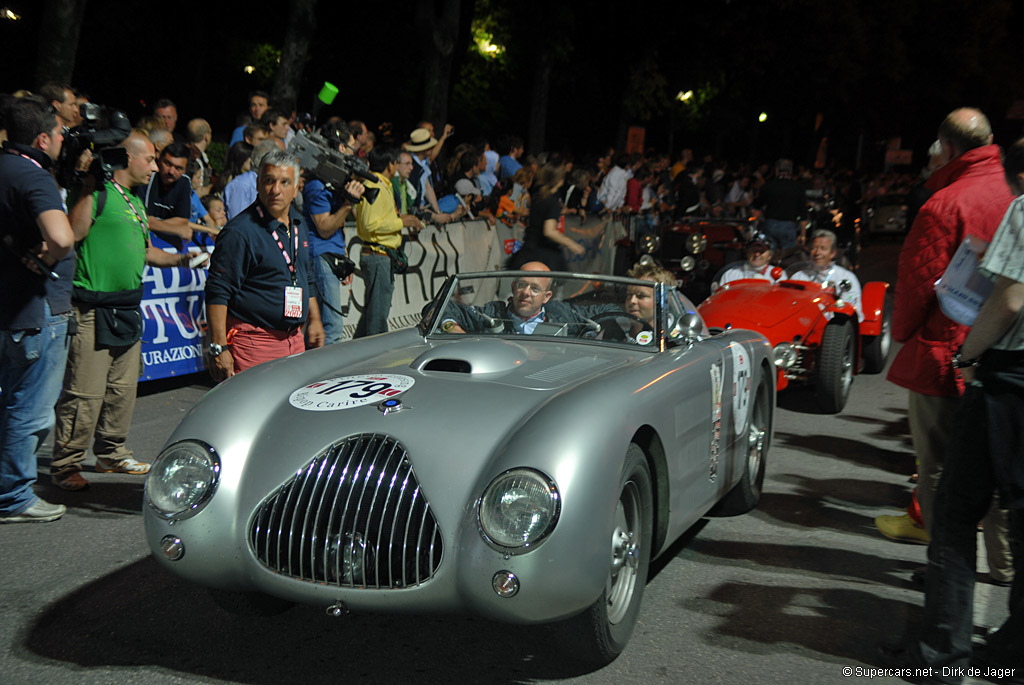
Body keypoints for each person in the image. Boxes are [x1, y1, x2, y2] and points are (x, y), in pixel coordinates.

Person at [895, 137, 1024, 683]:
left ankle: (942, 649)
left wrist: (969, 356)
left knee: (953, 511)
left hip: (1009, 376)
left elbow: (1011, 297)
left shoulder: (1002, 205)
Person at [878, 108, 1014, 577]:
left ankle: (946, 564)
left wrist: (903, 334)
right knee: (1000, 461)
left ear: (948, 149)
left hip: (948, 349)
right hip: (1010, 351)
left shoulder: (945, 203)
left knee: (939, 467)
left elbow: (917, 284)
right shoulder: (1015, 194)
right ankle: (1005, 564)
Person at [50, 133, 207, 491]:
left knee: (121, 390)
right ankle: (65, 464)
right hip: (92, 308)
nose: (155, 167)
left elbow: (148, 252)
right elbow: (73, 234)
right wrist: (89, 183)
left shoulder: (135, 201)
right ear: (127, 159)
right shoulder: (96, 194)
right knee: (84, 393)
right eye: (150, 159)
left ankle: (111, 452)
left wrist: (182, 259)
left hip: (127, 308)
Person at [0, 97, 75, 523]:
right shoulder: (34, 176)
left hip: (5, 306)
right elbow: (62, 236)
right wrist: (48, 257)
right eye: (60, 133)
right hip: (33, 310)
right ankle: (13, 497)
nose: (64, 139)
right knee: (27, 408)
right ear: (43, 138)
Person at [205, 149, 325, 380]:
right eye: (269, 181)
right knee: (252, 413)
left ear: (296, 187)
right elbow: (217, 291)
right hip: (253, 344)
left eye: (284, 182)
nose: (276, 190)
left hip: (294, 340)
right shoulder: (240, 232)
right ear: (258, 184)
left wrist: (316, 320)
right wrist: (219, 347)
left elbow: (305, 276)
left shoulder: (299, 224)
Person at [302, 121, 364, 345]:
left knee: (321, 328)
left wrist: (343, 259)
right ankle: (324, 379)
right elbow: (325, 228)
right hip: (320, 257)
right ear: (340, 148)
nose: (352, 154)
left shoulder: (331, 184)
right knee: (332, 328)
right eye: (350, 148)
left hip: (330, 257)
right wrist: (348, 204)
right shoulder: (317, 185)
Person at [353, 145, 423, 338]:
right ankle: (378, 360)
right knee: (377, 317)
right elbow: (369, 224)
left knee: (371, 313)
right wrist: (401, 222)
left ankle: (354, 354)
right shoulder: (374, 186)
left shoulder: (382, 185)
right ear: (390, 165)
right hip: (377, 256)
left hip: (382, 256)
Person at [135, 141, 217, 248]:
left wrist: (155, 223)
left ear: (185, 170)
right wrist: (173, 229)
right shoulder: (147, 177)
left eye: (178, 168)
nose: (171, 171)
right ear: (159, 161)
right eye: (168, 164)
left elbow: (182, 220)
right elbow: (140, 219)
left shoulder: (184, 181)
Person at [508, 162, 584, 272]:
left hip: (528, 249)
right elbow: (549, 231)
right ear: (560, 179)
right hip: (544, 254)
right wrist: (571, 244)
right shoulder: (552, 202)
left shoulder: (537, 196)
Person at [789, 229, 863, 320]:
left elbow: (853, 311)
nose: (817, 253)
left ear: (832, 253)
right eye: (814, 248)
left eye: (823, 248)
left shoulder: (846, 278)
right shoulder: (799, 277)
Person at [753, 159, 806, 249]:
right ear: (791, 171)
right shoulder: (798, 187)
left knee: (769, 253)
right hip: (789, 225)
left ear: (777, 170)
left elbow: (756, 206)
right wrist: (803, 234)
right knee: (788, 256)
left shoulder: (769, 185)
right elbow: (803, 213)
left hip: (770, 224)